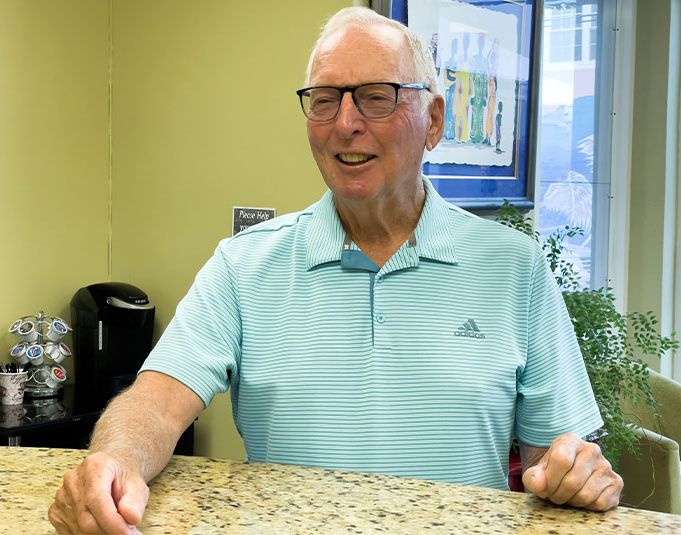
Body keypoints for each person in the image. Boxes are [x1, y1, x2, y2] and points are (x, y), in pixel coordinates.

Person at [48, 7, 623, 534]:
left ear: (433, 121)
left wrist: (579, 472)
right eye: (324, 99)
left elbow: (557, 457)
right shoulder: (243, 265)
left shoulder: (514, 269)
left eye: (376, 96)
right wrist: (115, 460)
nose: (344, 122)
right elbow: (154, 402)